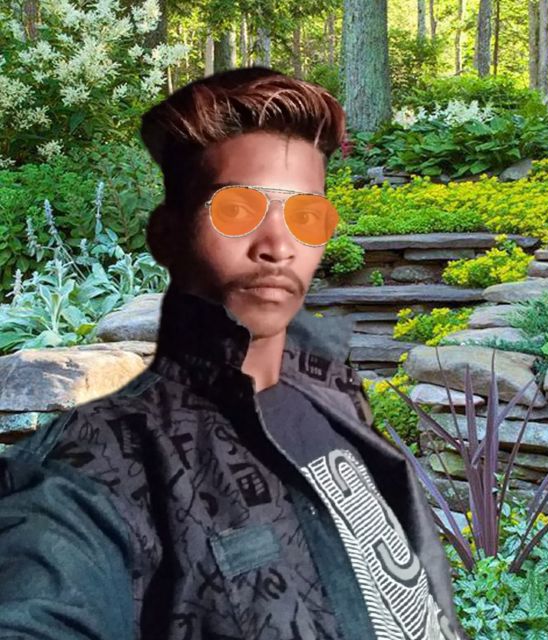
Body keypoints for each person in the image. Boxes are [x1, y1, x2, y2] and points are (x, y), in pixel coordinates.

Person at [0, 66, 468, 640]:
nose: (278, 246)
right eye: (238, 210)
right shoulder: (100, 463)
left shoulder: (332, 393)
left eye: (307, 216)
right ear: (167, 235)